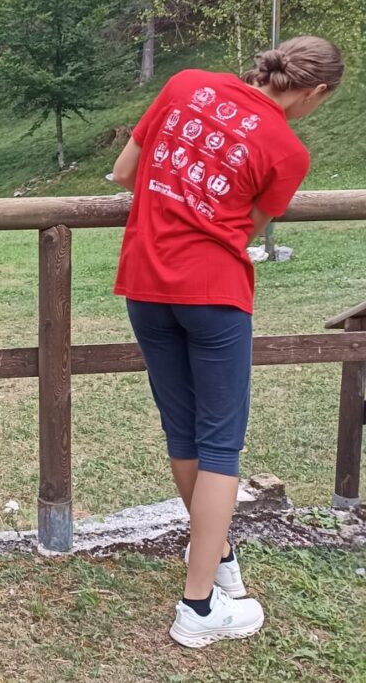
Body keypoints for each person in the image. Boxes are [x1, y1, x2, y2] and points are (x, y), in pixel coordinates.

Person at [111, 36, 343, 648]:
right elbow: (246, 228)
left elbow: (125, 173)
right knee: (219, 444)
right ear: (316, 91)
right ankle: (198, 608)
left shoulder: (186, 83)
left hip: (145, 283)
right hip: (213, 294)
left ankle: (219, 557)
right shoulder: (288, 150)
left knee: (182, 431)